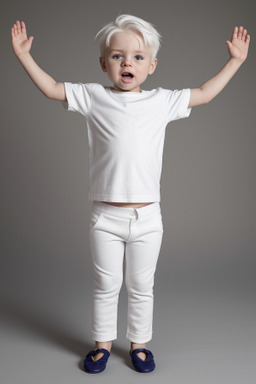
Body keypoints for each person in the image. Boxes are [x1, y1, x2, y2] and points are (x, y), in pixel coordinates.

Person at [11, 14, 250, 374]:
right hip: (105, 217)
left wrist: (235, 61)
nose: (128, 63)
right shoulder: (93, 97)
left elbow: (203, 94)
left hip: (148, 217)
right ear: (103, 64)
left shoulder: (161, 101)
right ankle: (102, 346)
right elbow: (51, 88)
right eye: (118, 56)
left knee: (141, 286)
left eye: (138, 57)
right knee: (105, 285)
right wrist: (23, 56)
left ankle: (139, 346)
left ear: (152, 66)